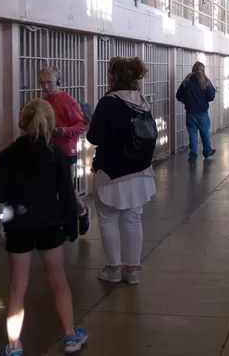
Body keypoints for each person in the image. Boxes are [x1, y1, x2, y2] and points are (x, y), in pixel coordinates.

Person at [0, 99, 87, 356]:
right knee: (59, 282)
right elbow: (66, 196)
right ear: (51, 124)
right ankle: (70, 336)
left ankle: (14, 346)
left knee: (17, 287)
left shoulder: (9, 155)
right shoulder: (57, 156)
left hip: (18, 225)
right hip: (50, 224)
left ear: (22, 122)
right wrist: (71, 228)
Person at [87, 57, 158, 285]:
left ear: (112, 77)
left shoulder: (108, 102)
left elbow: (94, 137)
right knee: (132, 219)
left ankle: (114, 269)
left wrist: (91, 122)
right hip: (139, 170)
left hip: (111, 171)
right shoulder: (141, 101)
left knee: (108, 219)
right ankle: (132, 271)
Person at [38, 67, 92, 235]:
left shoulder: (67, 101)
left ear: (58, 83)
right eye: (42, 83)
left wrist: (63, 131)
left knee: (65, 187)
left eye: (49, 83)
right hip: (49, 149)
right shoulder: (44, 101)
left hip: (65, 151)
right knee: (54, 187)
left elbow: (82, 125)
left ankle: (81, 212)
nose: (46, 87)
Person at [176, 61, 217, 163]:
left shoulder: (187, 80)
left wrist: (185, 101)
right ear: (203, 70)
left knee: (192, 135)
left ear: (193, 69)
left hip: (190, 113)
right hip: (202, 112)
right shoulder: (206, 81)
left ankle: (193, 156)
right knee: (205, 134)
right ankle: (207, 151)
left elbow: (178, 95)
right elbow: (211, 96)